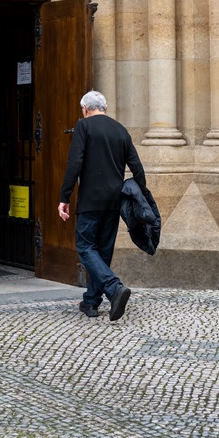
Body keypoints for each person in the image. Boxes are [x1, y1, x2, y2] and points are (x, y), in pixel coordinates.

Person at [58, 90, 147, 321]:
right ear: (104, 108)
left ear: (85, 109)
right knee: (103, 250)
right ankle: (91, 302)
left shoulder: (83, 126)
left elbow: (74, 163)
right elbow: (137, 168)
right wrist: (142, 196)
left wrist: (64, 197)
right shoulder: (120, 130)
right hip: (114, 201)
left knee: (85, 247)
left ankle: (114, 287)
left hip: (90, 200)